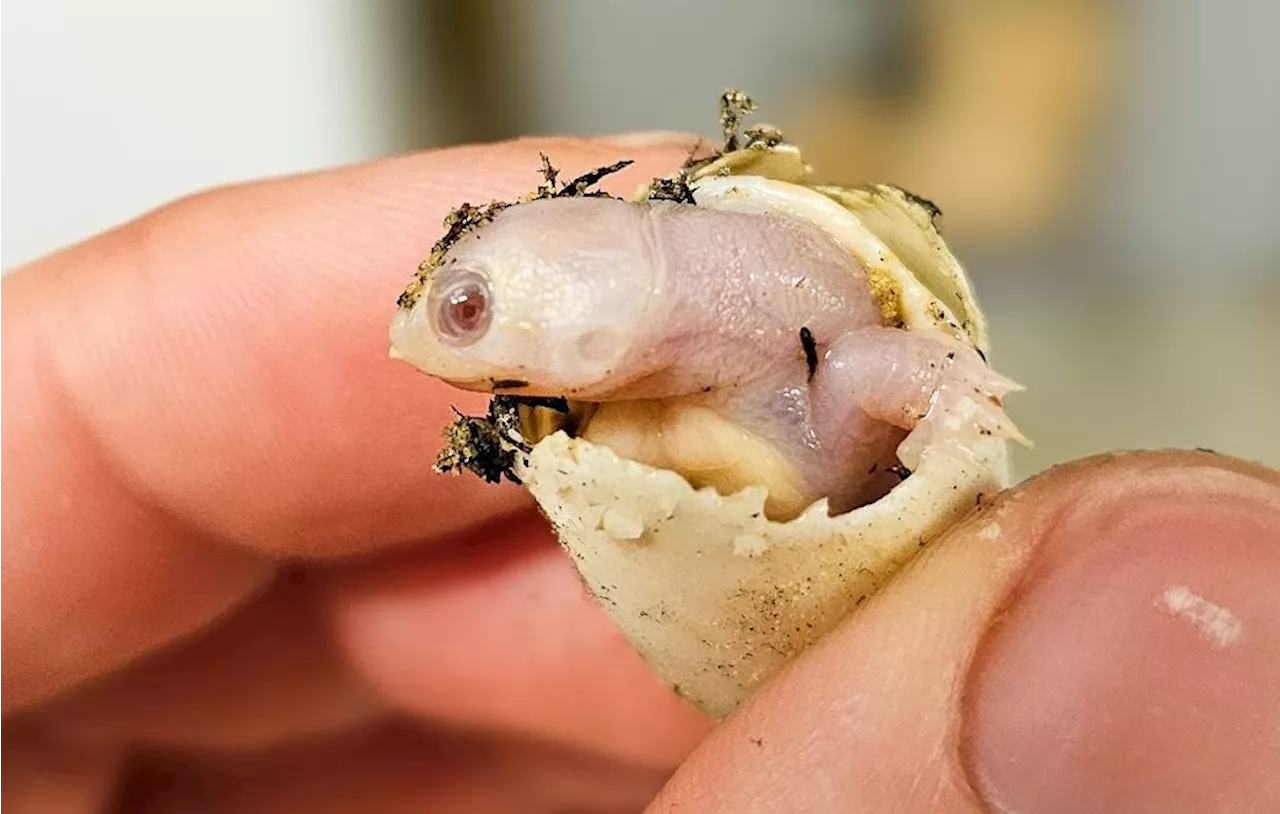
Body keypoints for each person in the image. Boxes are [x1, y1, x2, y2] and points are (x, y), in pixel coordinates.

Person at [1, 135, 1276, 813]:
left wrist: (942, 392)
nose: (430, 346)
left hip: (829, 440)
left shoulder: (772, 316)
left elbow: (857, 369)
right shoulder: (637, 361)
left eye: (460, 309)